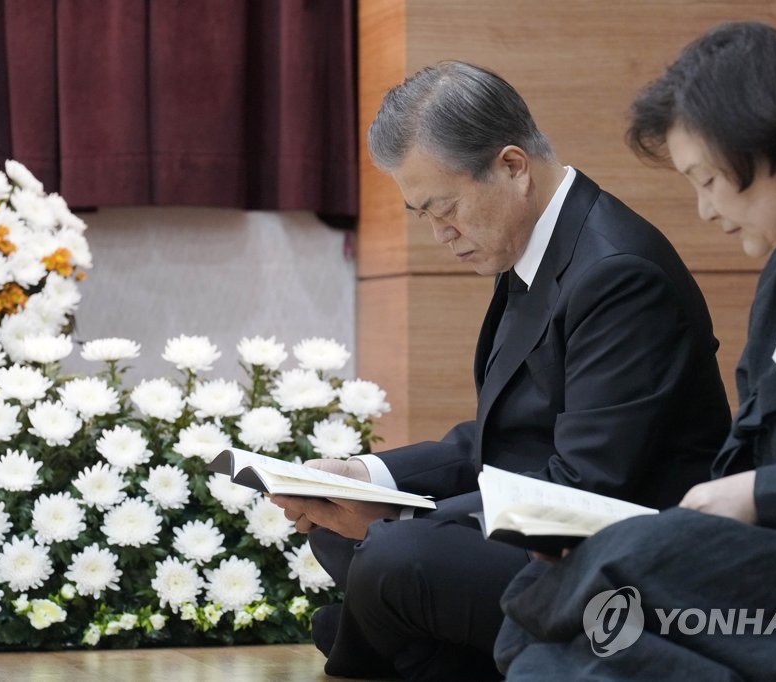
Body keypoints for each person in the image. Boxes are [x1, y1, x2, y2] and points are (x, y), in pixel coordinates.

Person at [493, 21, 776, 681]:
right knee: (556, 619)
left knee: (615, 577)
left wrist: (760, 493)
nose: (705, 210)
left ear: (772, 148)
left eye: (707, 179)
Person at [271, 61, 731, 680]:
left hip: (616, 559)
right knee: (339, 527)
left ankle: (377, 648)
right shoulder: (536, 247)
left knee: (393, 556)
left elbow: (584, 487)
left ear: (512, 166)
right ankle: (417, 646)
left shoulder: (618, 274)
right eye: (423, 215)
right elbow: (501, 439)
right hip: (543, 523)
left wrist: (402, 520)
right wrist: (367, 478)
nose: (441, 233)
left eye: (445, 208)